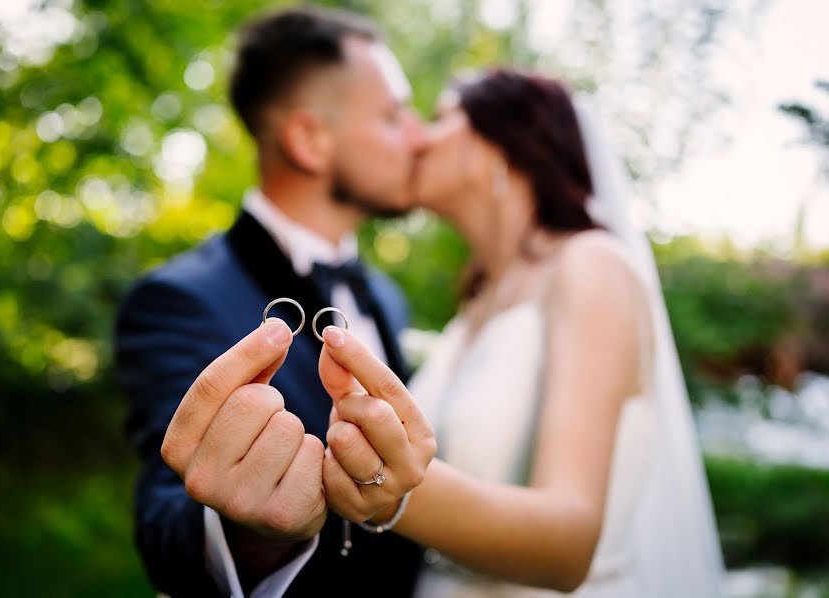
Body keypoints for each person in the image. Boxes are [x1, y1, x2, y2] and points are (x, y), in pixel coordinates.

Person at [196, 69, 725, 596]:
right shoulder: (475, 306)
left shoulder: (590, 265)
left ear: (499, 145)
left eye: (442, 118)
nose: (416, 137)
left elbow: (571, 544)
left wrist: (396, 493)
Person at [115, 6, 434, 597]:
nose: (419, 137)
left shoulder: (385, 295)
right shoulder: (177, 300)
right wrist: (247, 535)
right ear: (310, 140)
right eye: (393, 116)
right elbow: (166, 519)